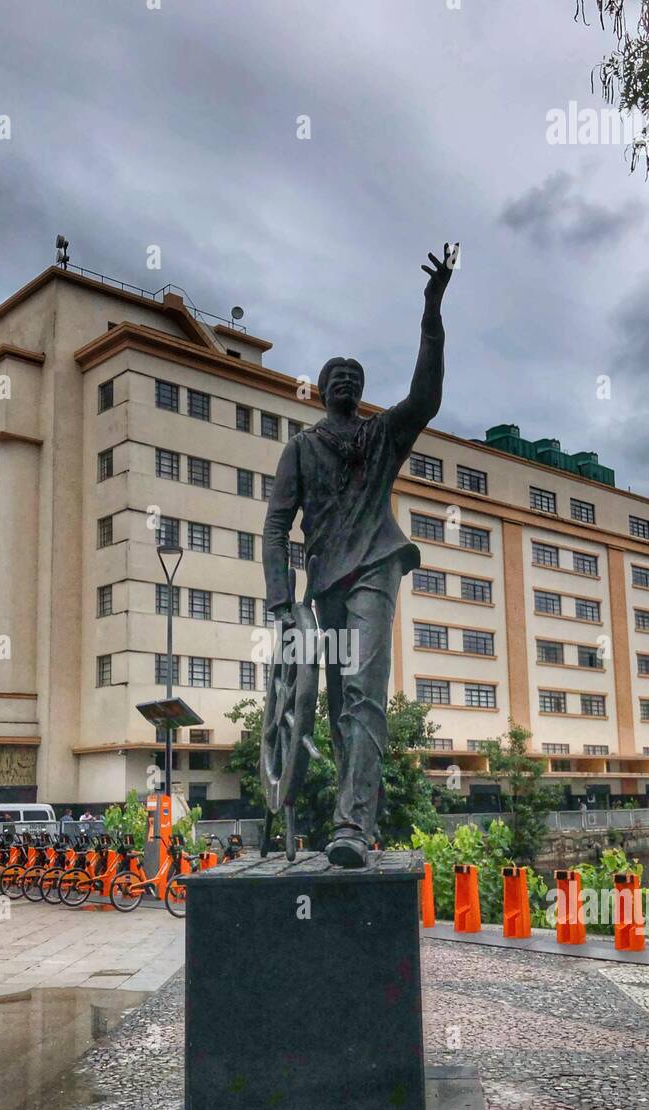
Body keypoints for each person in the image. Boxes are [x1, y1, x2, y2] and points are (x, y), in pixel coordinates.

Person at [262, 244, 456, 867]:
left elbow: (425, 397)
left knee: (365, 694)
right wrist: (279, 602)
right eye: (334, 377)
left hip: (375, 568)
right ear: (320, 392)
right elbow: (275, 524)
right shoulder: (300, 448)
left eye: (354, 377)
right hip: (325, 588)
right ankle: (355, 823)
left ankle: (351, 825)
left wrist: (432, 311)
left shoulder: (381, 436)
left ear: (362, 391)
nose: (345, 381)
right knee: (336, 704)